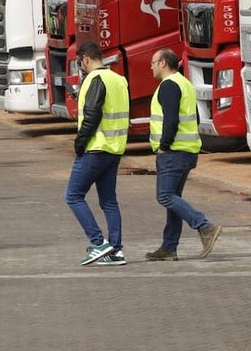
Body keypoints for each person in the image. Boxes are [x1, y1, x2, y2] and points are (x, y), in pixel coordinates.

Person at [145, 48, 221, 262]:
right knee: (173, 198)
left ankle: (205, 227)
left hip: (173, 152)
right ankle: (169, 247)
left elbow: (171, 119)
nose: (150, 66)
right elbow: (195, 117)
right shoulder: (184, 84)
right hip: (187, 151)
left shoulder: (168, 86)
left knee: (165, 196)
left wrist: (164, 146)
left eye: (152, 62)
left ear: (162, 63)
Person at [67, 42, 128, 267]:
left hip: (96, 147)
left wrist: (79, 143)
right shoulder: (119, 80)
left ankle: (98, 242)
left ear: (85, 59)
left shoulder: (94, 79)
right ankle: (116, 251)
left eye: (79, 62)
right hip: (115, 148)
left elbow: (92, 115)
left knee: (73, 195)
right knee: (109, 201)